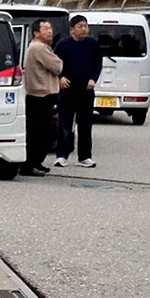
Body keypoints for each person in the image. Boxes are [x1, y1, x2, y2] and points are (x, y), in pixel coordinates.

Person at [53, 14, 103, 168]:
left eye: (85, 26)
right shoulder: (63, 45)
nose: (83, 29)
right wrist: (60, 77)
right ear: (72, 29)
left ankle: (85, 157)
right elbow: (55, 63)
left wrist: (93, 79)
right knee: (65, 123)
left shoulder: (92, 44)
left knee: (85, 124)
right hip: (68, 89)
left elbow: (97, 64)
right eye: (80, 26)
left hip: (86, 89)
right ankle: (62, 155)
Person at [21, 21, 62, 176]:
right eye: (45, 29)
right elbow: (57, 66)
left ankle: (36, 162)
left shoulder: (41, 47)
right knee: (36, 132)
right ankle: (29, 165)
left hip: (42, 95)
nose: (50, 31)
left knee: (42, 132)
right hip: (40, 95)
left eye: (50, 28)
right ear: (36, 33)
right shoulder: (38, 48)